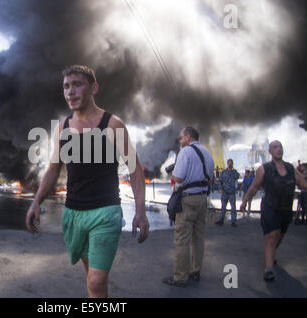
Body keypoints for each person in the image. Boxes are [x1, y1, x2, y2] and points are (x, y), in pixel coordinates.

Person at [25, 65, 149, 298]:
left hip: (105, 212)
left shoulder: (113, 124)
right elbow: (54, 168)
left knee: (95, 281)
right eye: (66, 86)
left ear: (94, 88)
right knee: (93, 279)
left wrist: (140, 211)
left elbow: (135, 169)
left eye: (77, 84)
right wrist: (36, 202)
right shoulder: (62, 128)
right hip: (73, 215)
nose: (70, 92)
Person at [240, 141, 307, 281]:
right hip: (270, 208)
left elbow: (302, 183)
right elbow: (253, 187)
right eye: (275, 147)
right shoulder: (264, 169)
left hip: (286, 209)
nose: (279, 149)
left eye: (281, 147)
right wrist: (245, 201)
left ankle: (269, 254)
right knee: (272, 235)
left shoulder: (290, 168)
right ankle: (269, 269)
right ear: (270, 151)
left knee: (279, 236)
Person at [162, 127, 214, 287]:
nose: (180, 141)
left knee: (182, 239)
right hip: (202, 199)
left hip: (187, 200)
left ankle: (180, 277)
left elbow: (178, 177)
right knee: (198, 237)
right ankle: (195, 271)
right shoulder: (207, 153)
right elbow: (210, 179)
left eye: (181, 138)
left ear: (188, 137)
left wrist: (172, 173)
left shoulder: (185, 152)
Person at [216, 159, 240, 227]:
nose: (229, 165)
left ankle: (233, 221)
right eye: (229, 163)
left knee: (233, 208)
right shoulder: (223, 172)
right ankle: (221, 220)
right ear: (227, 164)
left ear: (232, 164)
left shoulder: (234, 172)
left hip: (232, 192)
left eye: (231, 164)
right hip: (224, 192)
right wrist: (220, 188)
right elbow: (220, 181)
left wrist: (232, 170)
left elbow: (237, 176)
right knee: (223, 207)